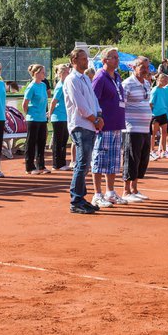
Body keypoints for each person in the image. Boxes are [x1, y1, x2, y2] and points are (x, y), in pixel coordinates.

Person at [63, 48, 103, 214]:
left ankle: (81, 198)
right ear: (74, 61)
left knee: (85, 164)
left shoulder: (85, 77)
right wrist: (94, 119)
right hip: (80, 125)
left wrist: (99, 114)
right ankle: (76, 200)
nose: (86, 61)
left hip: (90, 125)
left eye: (86, 58)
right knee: (82, 164)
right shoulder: (71, 79)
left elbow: (93, 100)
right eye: (83, 59)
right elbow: (80, 105)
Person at [90, 48, 125, 207]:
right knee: (99, 160)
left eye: (117, 57)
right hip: (104, 126)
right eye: (114, 58)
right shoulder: (100, 77)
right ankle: (97, 194)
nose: (117, 60)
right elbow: (92, 100)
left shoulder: (117, 76)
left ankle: (110, 192)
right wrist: (97, 119)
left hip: (117, 125)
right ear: (105, 60)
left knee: (113, 161)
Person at [120, 56, 153, 203]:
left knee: (142, 160)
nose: (145, 70)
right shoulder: (127, 84)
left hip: (145, 128)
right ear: (134, 67)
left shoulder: (147, 83)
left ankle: (134, 189)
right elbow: (121, 106)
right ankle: (126, 191)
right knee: (131, 159)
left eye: (147, 67)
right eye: (142, 67)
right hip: (131, 128)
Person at [21, 63, 50, 174]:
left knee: (41, 142)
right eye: (43, 72)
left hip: (42, 119)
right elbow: (25, 104)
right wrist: (30, 115)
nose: (44, 74)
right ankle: (30, 167)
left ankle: (41, 166)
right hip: (33, 119)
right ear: (36, 73)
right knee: (31, 143)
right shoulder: (31, 86)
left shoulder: (43, 85)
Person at [48, 63, 71, 171]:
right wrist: (50, 113)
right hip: (58, 117)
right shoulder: (60, 86)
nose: (68, 73)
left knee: (63, 140)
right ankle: (57, 164)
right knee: (58, 141)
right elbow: (53, 101)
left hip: (65, 116)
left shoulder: (66, 84)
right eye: (66, 71)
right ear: (61, 73)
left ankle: (62, 162)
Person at [149, 72, 168, 159]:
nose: (165, 82)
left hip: (164, 114)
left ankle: (163, 152)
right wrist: (151, 114)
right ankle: (151, 151)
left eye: (166, 80)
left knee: (164, 133)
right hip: (155, 115)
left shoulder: (164, 90)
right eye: (164, 80)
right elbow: (151, 103)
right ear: (159, 80)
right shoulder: (155, 90)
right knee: (153, 134)